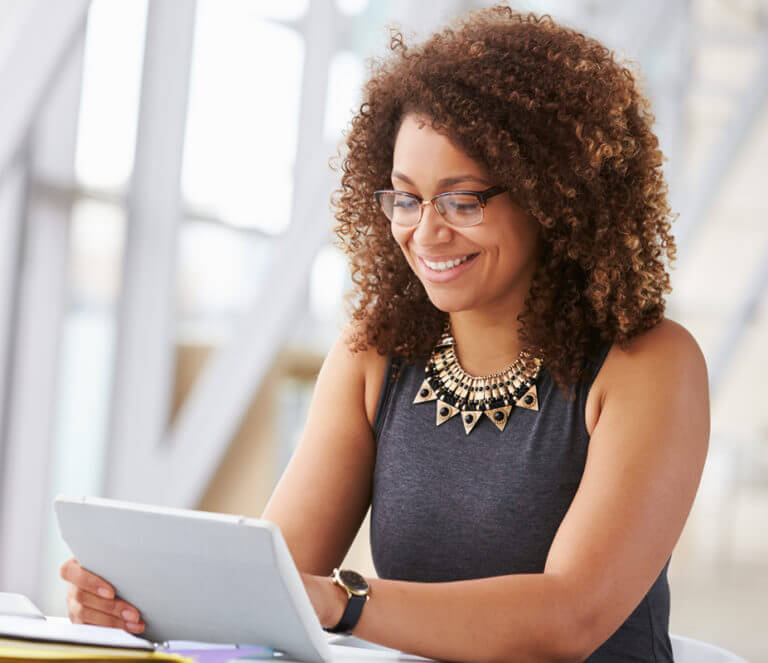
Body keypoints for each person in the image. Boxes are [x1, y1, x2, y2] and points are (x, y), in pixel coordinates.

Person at [60, 5, 709, 662]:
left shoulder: (648, 363)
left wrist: (347, 600)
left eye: (463, 200)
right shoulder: (375, 354)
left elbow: (567, 617)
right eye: (405, 197)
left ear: (554, 194)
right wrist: (137, 602)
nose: (425, 232)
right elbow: (269, 583)